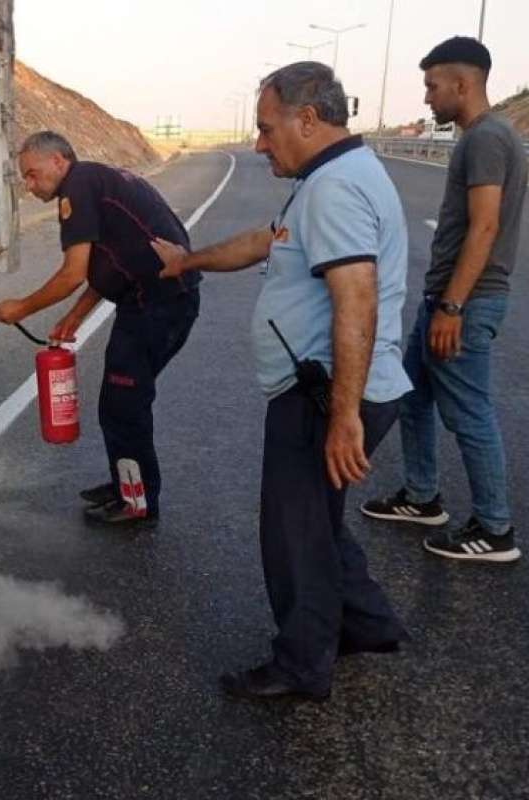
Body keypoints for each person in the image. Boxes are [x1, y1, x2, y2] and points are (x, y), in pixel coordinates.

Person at [152, 62, 411, 701]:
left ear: (308, 119)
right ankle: (366, 623)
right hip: (335, 389)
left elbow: (356, 299)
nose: (261, 143)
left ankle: (302, 664)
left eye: (267, 130)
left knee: (295, 532)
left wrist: (343, 415)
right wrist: (188, 261)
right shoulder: (330, 176)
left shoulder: (335, 189)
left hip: (326, 394)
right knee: (317, 522)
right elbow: (265, 244)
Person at [360, 37, 527, 564]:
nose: (428, 97)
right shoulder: (484, 137)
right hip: (450, 299)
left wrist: (451, 307)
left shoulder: (486, 140)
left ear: (463, 83)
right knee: (412, 397)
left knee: (470, 412)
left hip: (466, 303)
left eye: (433, 85)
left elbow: (484, 226)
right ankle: (420, 495)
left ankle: (495, 529)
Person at [0, 131, 199, 530]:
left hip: (158, 307)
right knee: (119, 401)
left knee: (124, 405)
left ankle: (137, 502)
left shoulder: (78, 187)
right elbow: (107, 265)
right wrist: (75, 317)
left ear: (58, 161)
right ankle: (127, 485)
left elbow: (72, 273)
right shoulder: (95, 180)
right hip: (154, 302)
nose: (29, 185)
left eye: (33, 175)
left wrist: (21, 307)